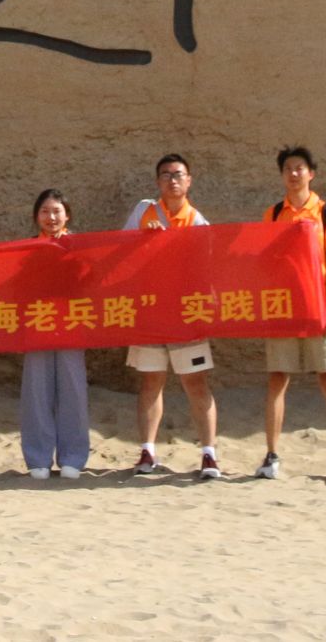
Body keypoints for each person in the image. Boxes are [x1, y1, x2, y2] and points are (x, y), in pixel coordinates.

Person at [124, 153, 223, 478]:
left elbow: (207, 269)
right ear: (158, 181)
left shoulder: (199, 222)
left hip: (186, 315)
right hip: (150, 311)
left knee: (196, 382)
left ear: (189, 180)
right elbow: (120, 251)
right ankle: (147, 452)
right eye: (166, 174)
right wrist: (143, 239)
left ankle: (209, 455)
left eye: (178, 174)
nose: (172, 180)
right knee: (151, 381)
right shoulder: (144, 211)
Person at [261, 143, 326, 486]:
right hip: (284, 309)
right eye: (288, 168)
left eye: (300, 168)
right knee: (277, 378)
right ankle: (271, 456)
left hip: (318, 309)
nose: (294, 173)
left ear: (311, 174)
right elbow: (267, 262)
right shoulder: (273, 214)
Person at [17, 189, 90, 480]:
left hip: (71, 325)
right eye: (45, 211)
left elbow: (91, 281)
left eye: (57, 211)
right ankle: (38, 458)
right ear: (37, 216)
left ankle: (73, 457)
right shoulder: (26, 250)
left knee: (73, 391)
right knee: (36, 392)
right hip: (38, 324)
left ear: (67, 215)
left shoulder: (80, 246)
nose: (51, 217)